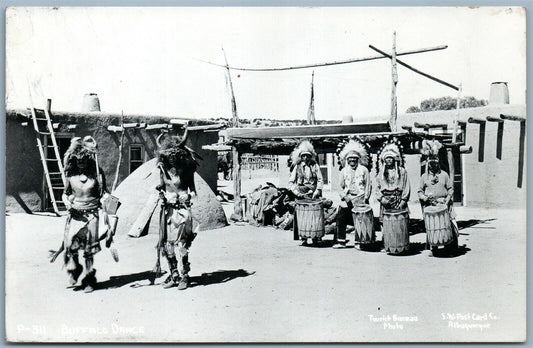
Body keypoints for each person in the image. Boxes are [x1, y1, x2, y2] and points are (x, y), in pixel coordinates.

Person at [61, 136, 112, 293]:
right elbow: (65, 194)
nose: (81, 162)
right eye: (78, 160)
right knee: (71, 246)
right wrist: (68, 203)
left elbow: (105, 194)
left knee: (89, 249)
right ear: (74, 160)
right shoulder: (71, 177)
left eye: (84, 159)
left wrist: (108, 206)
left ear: (89, 159)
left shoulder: (96, 175)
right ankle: (75, 269)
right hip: (75, 215)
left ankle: (89, 278)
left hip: (92, 216)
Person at [156, 132, 199, 290]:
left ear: (180, 156)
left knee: (181, 245)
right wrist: (161, 194)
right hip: (167, 211)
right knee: (167, 245)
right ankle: (173, 274)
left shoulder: (186, 172)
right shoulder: (163, 171)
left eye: (174, 156)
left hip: (182, 212)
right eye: (169, 157)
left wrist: (187, 197)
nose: (171, 159)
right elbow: (162, 187)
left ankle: (184, 275)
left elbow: (193, 191)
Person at [418, 139, 459, 247]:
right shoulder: (424, 177)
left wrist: (447, 200)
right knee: (433, 226)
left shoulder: (444, 175)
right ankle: (433, 246)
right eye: (431, 162)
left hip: (444, 203)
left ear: (438, 162)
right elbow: (420, 191)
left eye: (435, 162)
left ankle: (452, 247)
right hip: (430, 205)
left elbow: (450, 189)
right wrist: (424, 197)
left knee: (450, 225)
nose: (433, 164)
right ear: (428, 163)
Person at [334, 139, 372, 248]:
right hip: (348, 198)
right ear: (347, 159)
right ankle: (341, 241)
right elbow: (339, 186)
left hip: (360, 197)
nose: (352, 160)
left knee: (360, 220)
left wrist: (365, 198)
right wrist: (344, 196)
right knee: (341, 217)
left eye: (354, 159)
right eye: (350, 158)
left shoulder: (364, 170)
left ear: (358, 159)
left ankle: (359, 241)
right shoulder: (343, 171)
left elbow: (368, 185)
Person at [375, 140, 410, 218]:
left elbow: (406, 186)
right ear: (384, 160)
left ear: (394, 159)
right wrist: (383, 200)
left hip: (399, 200)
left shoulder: (402, 171)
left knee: (401, 223)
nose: (389, 160)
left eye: (391, 158)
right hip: (385, 201)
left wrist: (403, 201)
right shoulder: (381, 173)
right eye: (387, 158)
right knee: (387, 223)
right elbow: (377, 188)